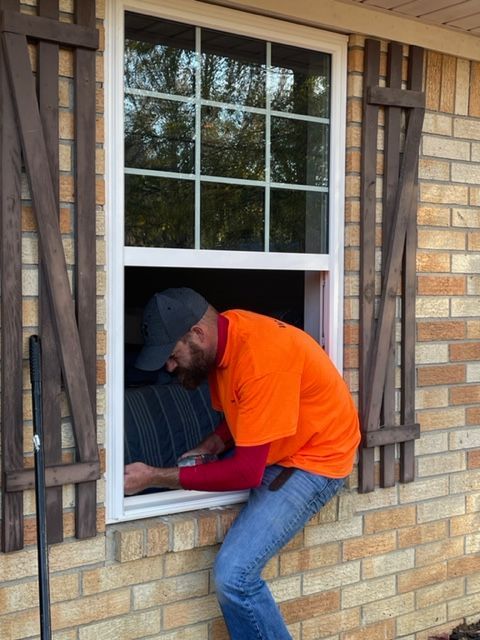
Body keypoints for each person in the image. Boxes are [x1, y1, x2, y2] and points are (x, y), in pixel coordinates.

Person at [124, 287, 360, 640]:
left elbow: (246, 472)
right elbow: (246, 409)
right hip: (283, 445)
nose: (169, 367)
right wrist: (211, 444)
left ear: (198, 335)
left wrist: (155, 477)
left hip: (314, 459)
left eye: (172, 356)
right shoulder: (228, 335)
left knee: (234, 576)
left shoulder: (261, 359)